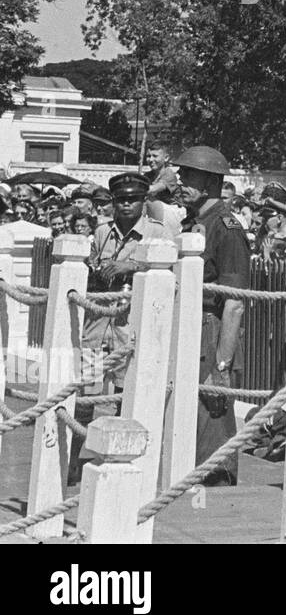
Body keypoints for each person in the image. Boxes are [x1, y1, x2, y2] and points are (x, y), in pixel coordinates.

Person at [69, 171, 168, 484]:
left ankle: (123, 465)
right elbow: (94, 267)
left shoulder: (156, 231)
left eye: (133, 199)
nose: (126, 205)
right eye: (121, 200)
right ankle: (74, 466)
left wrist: (131, 266)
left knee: (127, 394)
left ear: (143, 201)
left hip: (129, 325)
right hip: (98, 322)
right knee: (86, 391)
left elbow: (170, 269)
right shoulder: (102, 232)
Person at [175, 145, 252, 487]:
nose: (181, 181)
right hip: (189, 326)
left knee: (212, 423)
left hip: (212, 330)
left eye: (189, 175)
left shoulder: (227, 229)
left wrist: (222, 365)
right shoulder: (192, 223)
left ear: (209, 182)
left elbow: (234, 303)